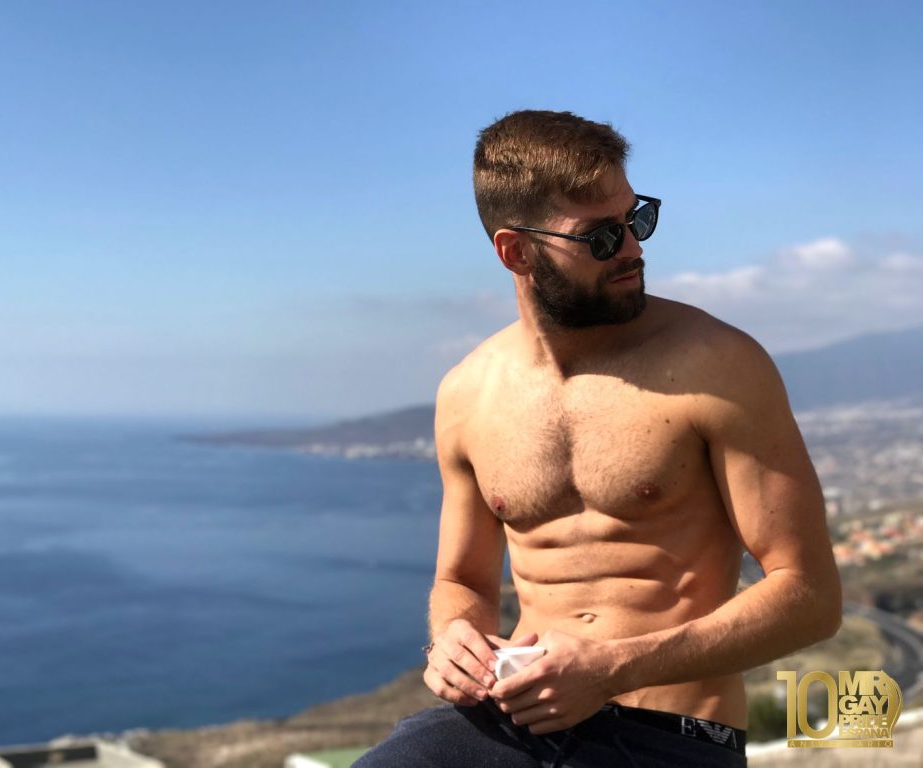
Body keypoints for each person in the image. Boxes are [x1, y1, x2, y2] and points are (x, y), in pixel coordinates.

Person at [353, 110, 841, 767]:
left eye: (637, 220)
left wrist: (611, 668)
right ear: (516, 252)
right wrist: (452, 639)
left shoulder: (718, 365)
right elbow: (462, 579)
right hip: (509, 723)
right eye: (601, 237)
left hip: (668, 735)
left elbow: (810, 597)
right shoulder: (467, 393)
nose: (633, 248)